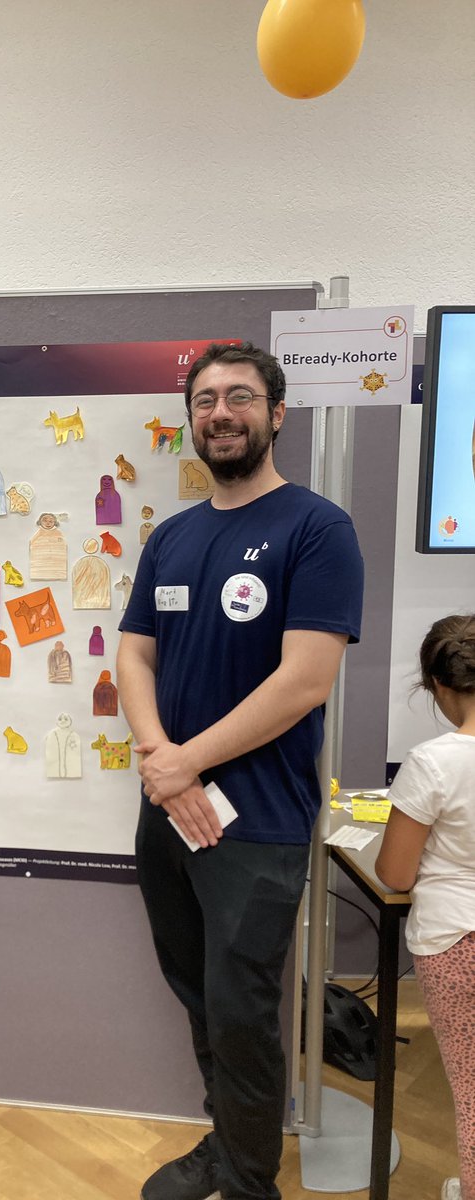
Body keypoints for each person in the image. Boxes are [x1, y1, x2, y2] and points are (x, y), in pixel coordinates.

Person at [117, 341, 364, 1200]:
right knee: (197, 992)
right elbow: (133, 656)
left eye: (240, 398)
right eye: (205, 400)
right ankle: (227, 1146)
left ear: (276, 414)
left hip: (255, 824)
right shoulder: (174, 537)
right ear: (191, 419)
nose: (220, 413)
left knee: (245, 1011)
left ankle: (253, 1180)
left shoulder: (317, 528)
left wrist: (184, 762)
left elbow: (303, 682)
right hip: (169, 813)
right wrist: (162, 762)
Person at [375, 615, 475, 1200]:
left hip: (457, 941)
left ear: (437, 686)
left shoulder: (434, 762)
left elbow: (395, 873)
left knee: (470, 1091)